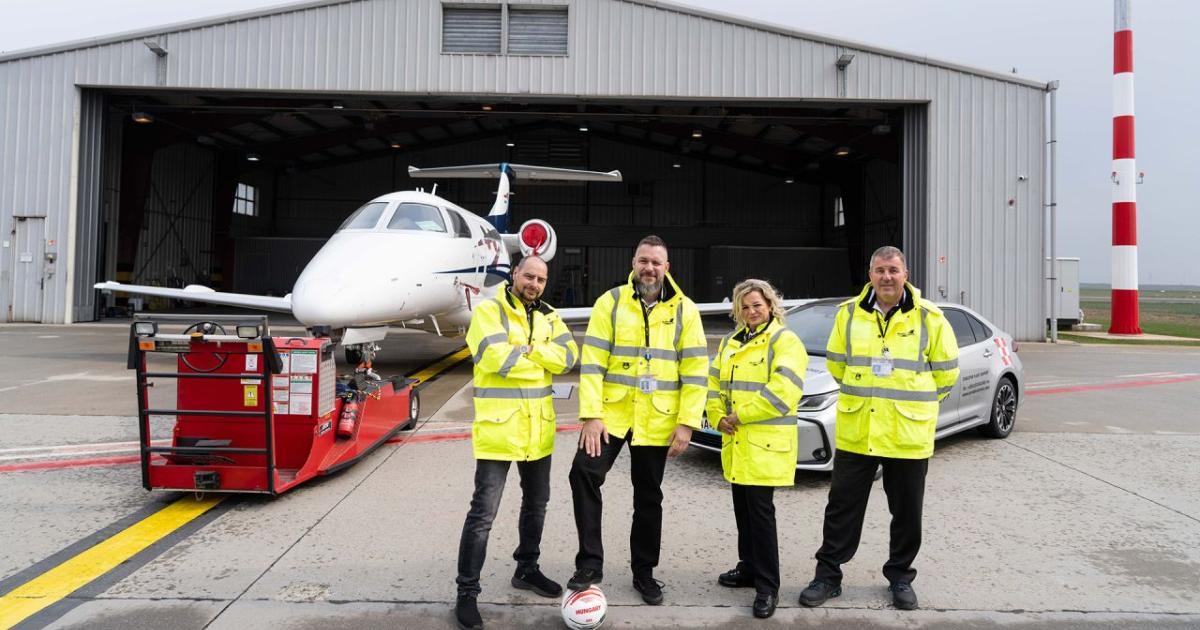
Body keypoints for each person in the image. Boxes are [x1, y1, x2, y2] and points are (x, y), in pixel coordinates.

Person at [798, 246, 959, 611]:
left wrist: (910, 405)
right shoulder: (849, 314)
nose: (887, 277)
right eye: (880, 270)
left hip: (907, 434)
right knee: (841, 510)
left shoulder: (930, 317)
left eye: (893, 270)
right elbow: (837, 365)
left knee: (906, 513)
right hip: (859, 430)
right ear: (870, 275)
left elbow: (947, 374)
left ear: (906, 274)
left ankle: (900, 577)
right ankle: (828, 576)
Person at [568, 235, 709, 605]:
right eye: (643, 261)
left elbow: (696, 370)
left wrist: (687, 422)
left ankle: (644, 573)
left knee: (648, 496)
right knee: (583, 473)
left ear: (667, 268)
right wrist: (591, 415)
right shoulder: (610, 302)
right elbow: (593, 362)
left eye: (656, 262)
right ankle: (590, 564)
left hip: (657, 419)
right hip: (612, 415)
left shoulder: (685, 310)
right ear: (633, 263)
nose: (649, 268)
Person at [454, 256, 579, 630]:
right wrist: (541, 358)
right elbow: (496, 359)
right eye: (529, 276)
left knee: (536, 505)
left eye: (541, 279)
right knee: (483, 515)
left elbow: (568, 357)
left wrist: (527, 350)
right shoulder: (488, 310)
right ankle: (467, 592)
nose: (534, 283)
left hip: (538, 432)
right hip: (499, 430)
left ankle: (526, 569)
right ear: (515, 275)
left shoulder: (550, 316)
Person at [708, 279, 807, 619]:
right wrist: (716, 415)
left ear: (771, 305)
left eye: (757, 305)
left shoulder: (785, 341)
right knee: (743, 511)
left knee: (761, 516)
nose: (751, 311)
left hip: (765, 444)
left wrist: (740, 415)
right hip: (737, 441)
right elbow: (714, 382)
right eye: (745, 306)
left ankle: (767, 587)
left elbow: (783, 391)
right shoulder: (731, 342)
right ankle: (748, 567)